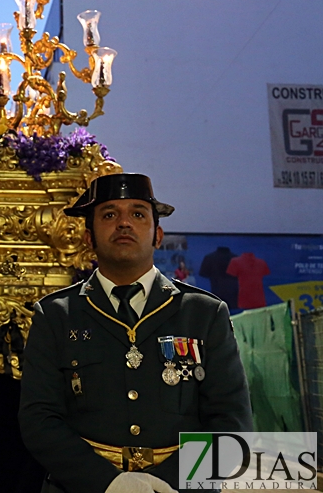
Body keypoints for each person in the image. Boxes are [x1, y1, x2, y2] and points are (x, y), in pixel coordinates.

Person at [19, 173, 252, 493]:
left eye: (138, 214)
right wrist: (110, 483)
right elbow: (39, 420)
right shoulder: (56, 315)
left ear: (158, 236)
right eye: (110, 214)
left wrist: (166, 484)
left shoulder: (204, 313)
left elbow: (232, 424)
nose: (124, 223)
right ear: (89, 238)